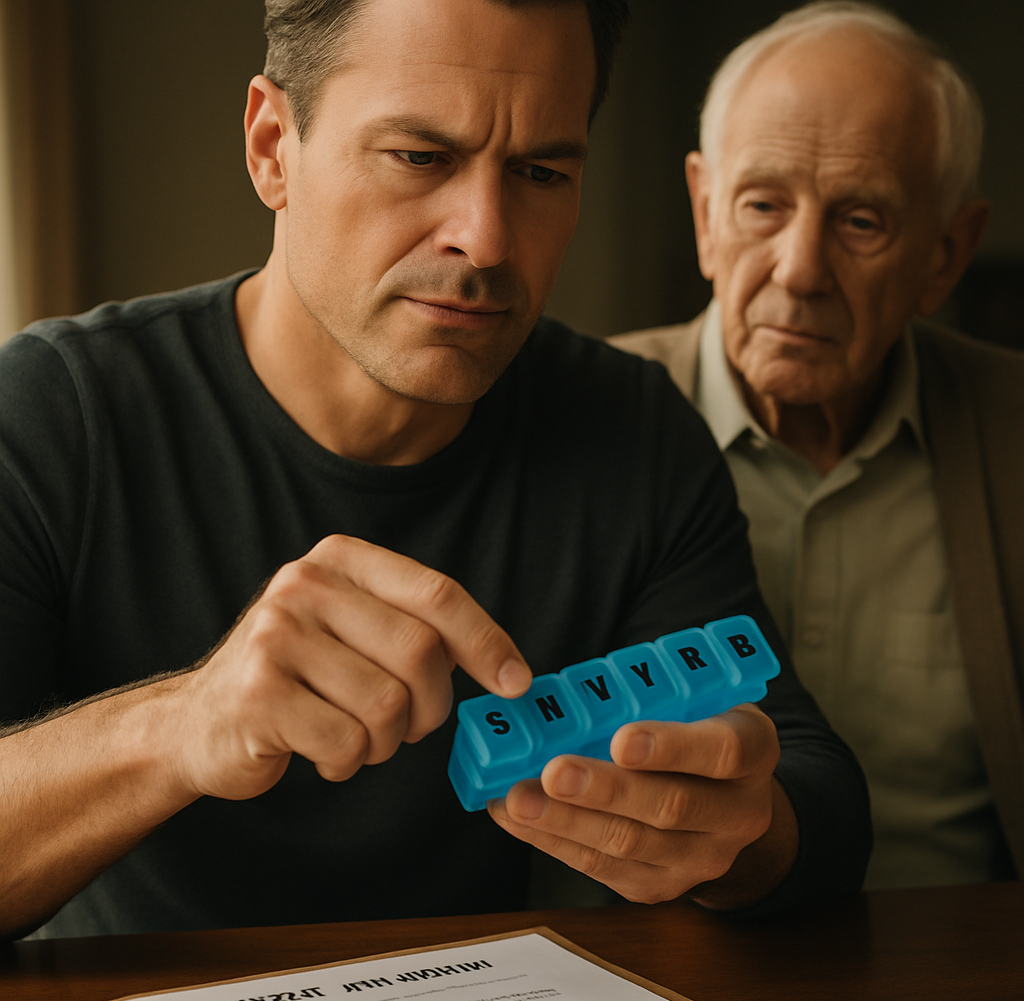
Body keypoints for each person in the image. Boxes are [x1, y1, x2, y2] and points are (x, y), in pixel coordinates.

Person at [0, 0, 870, 942]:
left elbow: (813, 796)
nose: (487, 239)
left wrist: (734, 835)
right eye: (419, 158)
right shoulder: (53, 413)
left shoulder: (633, 429)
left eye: (540, 171)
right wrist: (180, 724)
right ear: (270, 147)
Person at [610, 1, 1024, 890]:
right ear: (705, 211)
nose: (800, 269)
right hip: (634, 973)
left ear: (946, 256)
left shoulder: (1012, 435)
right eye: (763, 205)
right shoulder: (576, 420)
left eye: (861, 221)